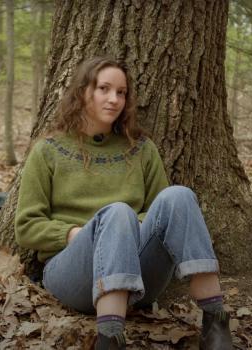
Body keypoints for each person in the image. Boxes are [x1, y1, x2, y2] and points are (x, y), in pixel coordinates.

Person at [14, 56, 234, 350]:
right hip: (74, 274)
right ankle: (110, 338)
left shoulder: (141, 149)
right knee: (118, 212)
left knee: (179, 196)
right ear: (83, 93)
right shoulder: (48, 151)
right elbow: (26, 227)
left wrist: (127, 229)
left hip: (138, 274)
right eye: (104, 88)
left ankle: (215, 320)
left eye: (121, 92)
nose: (114, 99)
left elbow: (164, 216)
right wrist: (76, 234)